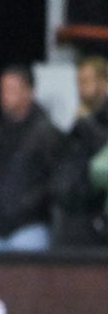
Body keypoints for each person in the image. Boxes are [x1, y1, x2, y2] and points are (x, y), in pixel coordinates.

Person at [0, 66, 59, 251]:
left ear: (29, 92)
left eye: (12, 89)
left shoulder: (46, 133)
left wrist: (25, 209)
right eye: (3, 90)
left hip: (30, 229)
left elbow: (52, 181)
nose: (5, 96)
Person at [51, 56, 108, 247]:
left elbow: (103, 153)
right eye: (78, 82)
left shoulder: (89, 121)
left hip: (95, 216)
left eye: (86, 81)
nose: (80, 88)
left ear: (104, 82)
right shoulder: (78, 121)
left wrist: (86, 122)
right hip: (67, 214)